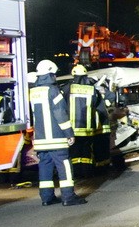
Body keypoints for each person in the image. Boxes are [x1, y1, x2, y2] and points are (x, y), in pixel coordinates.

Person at [29, 59, 87, 206]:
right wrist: (69, 133)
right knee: (64, 166)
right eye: (54, 74)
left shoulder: (34, 91)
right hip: (56, 138)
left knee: (45, 167)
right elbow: (60, 113)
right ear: (50, 74)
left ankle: (47, 198)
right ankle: (68, 196)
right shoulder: (54, 90)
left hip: (41, 139)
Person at [66, 64, 102, 177]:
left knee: (74, 151)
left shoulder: (67, 88)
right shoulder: (92, 89)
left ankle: (76, 173)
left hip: (72, 128)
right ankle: (87, 172)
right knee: (86, 151)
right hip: (88, 128)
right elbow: (97, 104)